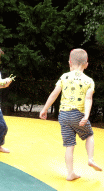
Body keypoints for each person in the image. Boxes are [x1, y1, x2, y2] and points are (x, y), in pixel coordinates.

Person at [39, 48, 102, 181]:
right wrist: (86, 116)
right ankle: (90, 159)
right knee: (89, 135)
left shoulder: (64, 76)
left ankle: (70, 173)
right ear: (86, 64)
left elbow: (54, 94)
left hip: (63, 116)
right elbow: (88, 99)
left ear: (70, 62)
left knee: (69, 145)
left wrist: (44, 109)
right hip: (77, 115)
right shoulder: (89, 81)